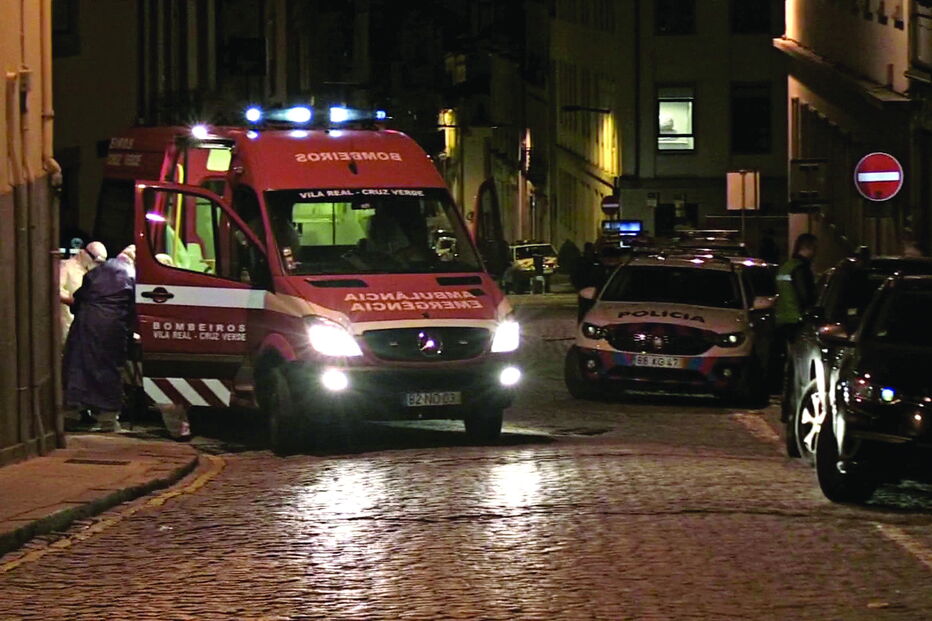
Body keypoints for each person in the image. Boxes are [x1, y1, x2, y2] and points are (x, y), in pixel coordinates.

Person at [62, 245, 136, 432]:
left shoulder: (97, 271)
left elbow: (80, 296)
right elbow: (134, 308)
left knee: (76, 366)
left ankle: (70, 414)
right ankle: (107, 419)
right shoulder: (131, 275)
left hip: (84, 323)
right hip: (111, 327)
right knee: (108, 370)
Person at [774, 233, 818, 372]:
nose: (816, 253)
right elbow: (805, 296)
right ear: (809, 248)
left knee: (784, 362)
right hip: (797, 321)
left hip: (782, 320)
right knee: (798, 364)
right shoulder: (801, 269)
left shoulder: (786, 266)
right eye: (815, 248)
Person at [59, 241, 107, 344]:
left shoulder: (93, 272)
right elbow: (57, 291)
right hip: (68, 320)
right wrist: (72, 301)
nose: (97, 265)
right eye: (97, 261)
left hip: (86, 323)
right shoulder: (66, 267)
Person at [571, 242, 606, 322]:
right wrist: (579, 288)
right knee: (584, 311)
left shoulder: (597, 261)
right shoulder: (581, 262)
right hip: (585, 290)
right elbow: (575, 276)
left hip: (596, 291)